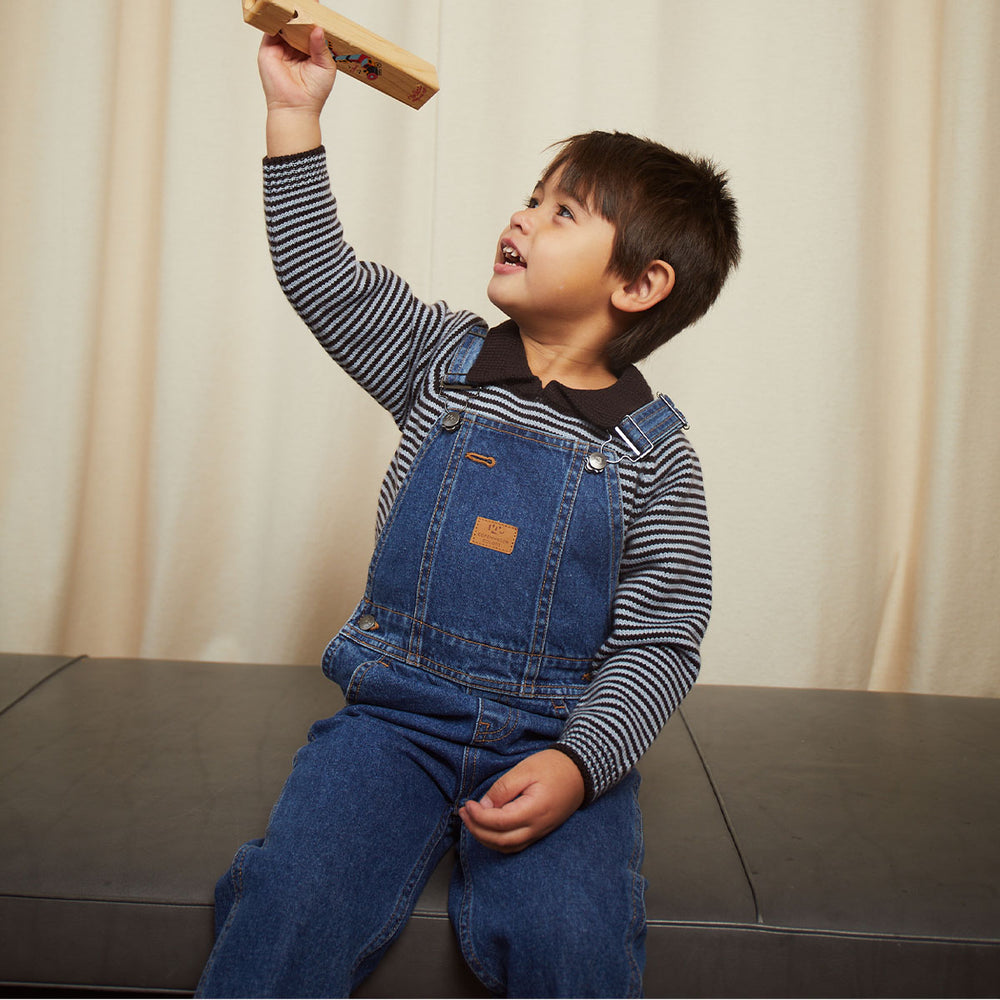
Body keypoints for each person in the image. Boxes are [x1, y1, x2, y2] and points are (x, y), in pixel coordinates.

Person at [197, 25, 739, 999]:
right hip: (392, 719)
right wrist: (292, 116)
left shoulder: (656, 458)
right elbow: (321, 277)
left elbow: (660, 640)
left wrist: (579, 765)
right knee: (288, 900)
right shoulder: (439, 362)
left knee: (573, 942)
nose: (523, 217)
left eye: (562, 211)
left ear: (638, 284)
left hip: (551, 734)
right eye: (532, 197)